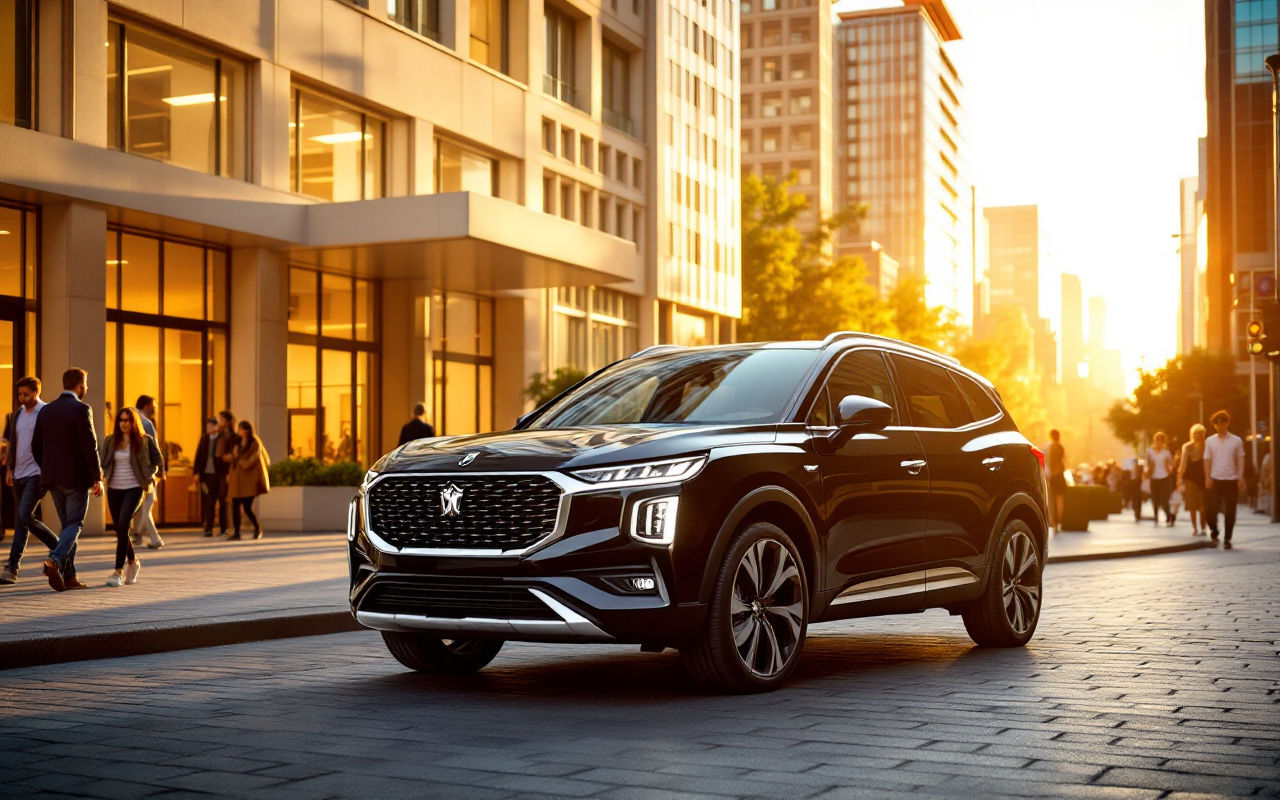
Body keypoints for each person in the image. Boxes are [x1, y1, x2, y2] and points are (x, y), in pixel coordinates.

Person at [32, 368, 103, 592]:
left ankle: (70, 577)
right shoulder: (82, 409)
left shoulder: (46, 411)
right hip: (75, 480)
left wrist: (48, 469)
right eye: (86, 384)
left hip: (53, 480)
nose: (86, 388)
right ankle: (54, 560)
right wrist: (97, 477)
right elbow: (90, 446)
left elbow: (36, 446)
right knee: (75, 524)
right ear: (80, 385)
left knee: (67, 528)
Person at [0, 378, 63, 586]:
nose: (22, 398)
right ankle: (61, 547)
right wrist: (10, 468)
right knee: (25, 519)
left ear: (36, 392)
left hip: (37, 475)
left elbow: (54, 444)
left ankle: (12, 567)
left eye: (25, 394)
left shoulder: (45, 413)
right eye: (19, 394)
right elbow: (14, 443)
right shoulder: (18, 414)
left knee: (22, 517)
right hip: (18, 474)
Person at [99, 407, 161, 587]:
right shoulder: (111, 441)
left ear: (133, 422)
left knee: (124, 525)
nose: (124, 423)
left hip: (135, 488)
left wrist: (149, 475)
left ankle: (118, 571)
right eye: (121, 420)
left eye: (127, 420)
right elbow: (104, 461)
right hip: (114, 488)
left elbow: (157, 460)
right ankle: (133, 562)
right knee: (120, 529)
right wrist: (101, 477)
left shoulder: (144, 440)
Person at [1204, 409, 1246, 549]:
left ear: (1227, 423)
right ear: (1214, 425)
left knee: (1230, 511)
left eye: (1223, 423)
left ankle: (1228, 538)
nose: (1220, 426)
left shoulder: (1236, 441)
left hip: (1231, 479)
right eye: (1217, 423)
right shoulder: (1210, 441)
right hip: (1215, 478)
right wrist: (1207, 477)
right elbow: (1207, 460)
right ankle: (1214, 532)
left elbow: (1240, 459)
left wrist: (1241, 477)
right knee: (1211, 510)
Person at [129, 395, 165, 550]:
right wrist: (159, 470)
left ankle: (147, 537)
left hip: (132, 470)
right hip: (145, 470)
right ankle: (137, 533)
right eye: (153, 406)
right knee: (147, 503)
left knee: (143, 505)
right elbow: (154, 450)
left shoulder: (128, 419)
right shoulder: (146, 423)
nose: (155, 410)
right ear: (146, 406)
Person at [224, 420, 269, 541]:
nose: (238, 431)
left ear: (247, 430)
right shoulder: (237, 442)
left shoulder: (254, 443)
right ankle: (237, 532)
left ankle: (257, 527)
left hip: (249, 479)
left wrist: (243, 463)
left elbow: (255, 458)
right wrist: (229, 458)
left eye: (240, 429)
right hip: (237, 478)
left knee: (247, 507)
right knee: (235, 505)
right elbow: (234, 456)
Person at [193, 417, 230, 537]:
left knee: (222, 500)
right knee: (209, 502)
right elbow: (198, 456)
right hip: (207, 474)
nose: (209, 429)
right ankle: (208, 528)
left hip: (220, 474)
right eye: (208, 426)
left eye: (211, 426)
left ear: (216, 427)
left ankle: (223, 528)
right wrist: (196, 473)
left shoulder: (222, 439)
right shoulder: (204, 439)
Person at [1179, 424, 1207, 536]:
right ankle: (1195, 528)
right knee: (1192, 506)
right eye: (1195, 433)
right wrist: (1179, 479)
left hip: (1203, 478)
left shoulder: (1207, 446)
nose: (1198, 435)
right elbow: (1184, 464)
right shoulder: (1187, 447)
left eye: (1200, 433)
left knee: (1203, 506)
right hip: (1190, 478)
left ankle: (1203, 527)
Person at [1146, 432, 1175, 527]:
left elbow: (1172, 464)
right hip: (1154, 477)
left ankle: (1168, 515)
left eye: (1161, 441)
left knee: (1164, 499)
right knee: (1155, 499)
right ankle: (1155, 516)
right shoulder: (1149, 451)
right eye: (1157, 440)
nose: (1158, 443)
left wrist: (1169, 468)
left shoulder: (1166, 453)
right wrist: (1148, 469)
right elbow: (1146, 464)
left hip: (1164, 477)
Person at [1046, 429, 1066, 533]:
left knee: (1053, 501)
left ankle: (1055, 523)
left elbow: (1050, 463)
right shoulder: (1060, 447)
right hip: (1060, 476)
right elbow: (1064, 462)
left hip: (1054, 477)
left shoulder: (1051, 447)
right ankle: (1058, 522)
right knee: (1059, 501)